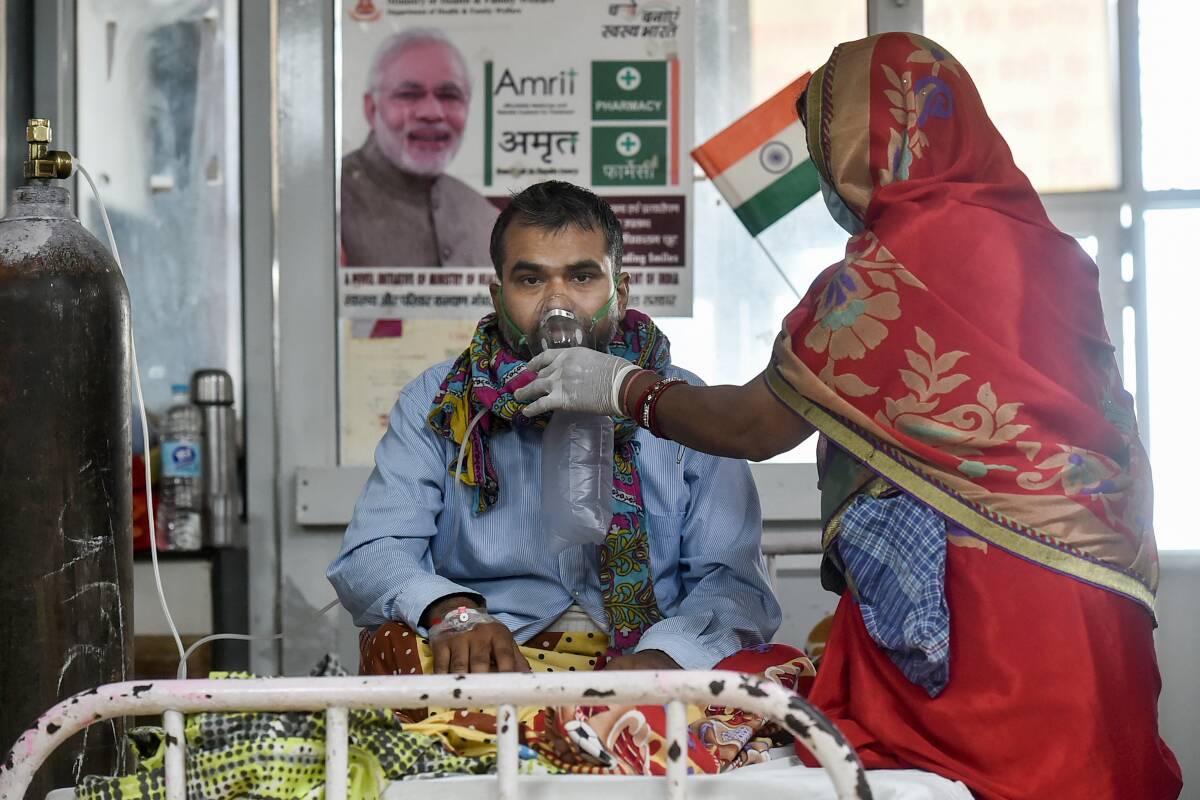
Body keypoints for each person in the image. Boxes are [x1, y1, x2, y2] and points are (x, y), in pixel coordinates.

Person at [514, 33, 1182, 800]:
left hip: (993, 619)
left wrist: (624, 389)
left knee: (947, 764)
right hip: (1101, 592)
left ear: (871, 142)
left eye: (822, 154)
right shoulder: (1055, 252)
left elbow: (755, 427)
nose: (826, 182)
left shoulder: (898, 265)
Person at [327, 180, 783, 680]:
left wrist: (665, 659)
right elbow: (371, 553)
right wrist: (454, 613)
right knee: (396, 643)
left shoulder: (682, 408)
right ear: (498, 295)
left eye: (583, 277)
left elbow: (735, 585)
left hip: (649, 658)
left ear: (620, 292)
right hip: (494, 659)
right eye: (531, 281)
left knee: (768, 673)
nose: (557, 304)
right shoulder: (442, 404)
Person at [340, 28, 498, 267]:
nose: (431, 113)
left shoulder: (484, 217)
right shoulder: (329, 200)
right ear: (371, 109)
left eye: (449, 95)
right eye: (409, 94)